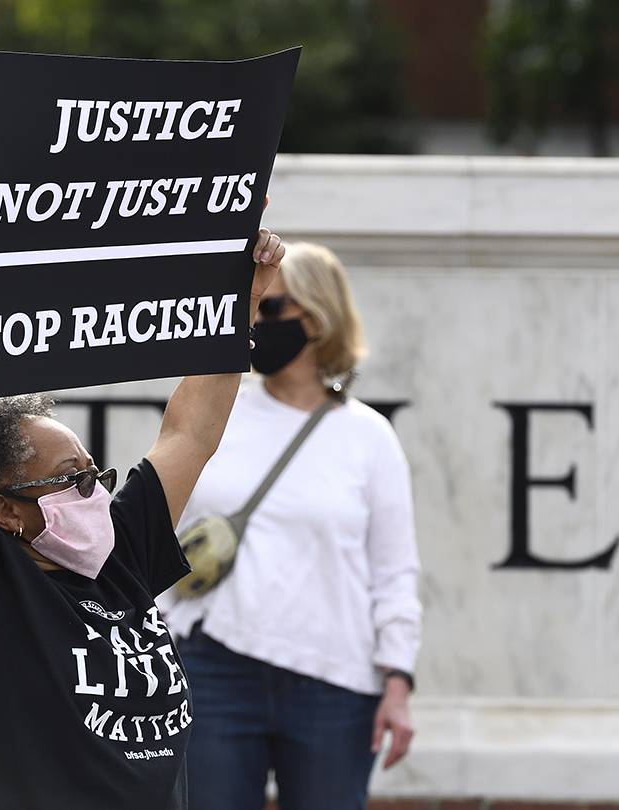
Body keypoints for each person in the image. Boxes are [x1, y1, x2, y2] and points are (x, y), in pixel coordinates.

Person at [0, 211, 285, 809]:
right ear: (5, 511)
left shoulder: (121, 554)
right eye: (71, 480)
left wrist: (242, 297)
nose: (96, 494)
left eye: (95, 475)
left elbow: (191, 432)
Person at [160, 242, 422, 810]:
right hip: (213, 669)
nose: (255, 322)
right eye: (249, 307)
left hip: (334, 681)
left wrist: (398, 682)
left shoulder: (369, 437)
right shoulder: (215, 413)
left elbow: (395, 571)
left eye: (272, 309)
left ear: (318, 316)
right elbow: (157, 525)